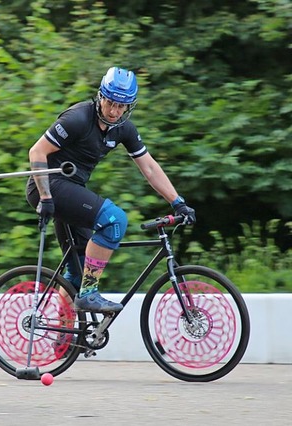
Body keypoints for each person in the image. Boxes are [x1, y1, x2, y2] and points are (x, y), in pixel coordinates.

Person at [27, 67, 195, 314]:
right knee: (115, 220)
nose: (115, 112)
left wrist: (177, 202)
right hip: (49, 186)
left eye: (122, 106)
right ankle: (89, 293)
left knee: (77, 268)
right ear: (101, 97)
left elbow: (148, 167)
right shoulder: (78, 118)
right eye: (111, 103)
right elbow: (36, 152)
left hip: (72, 189)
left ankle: (63, 340)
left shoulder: (123, 129)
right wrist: (46, 197)